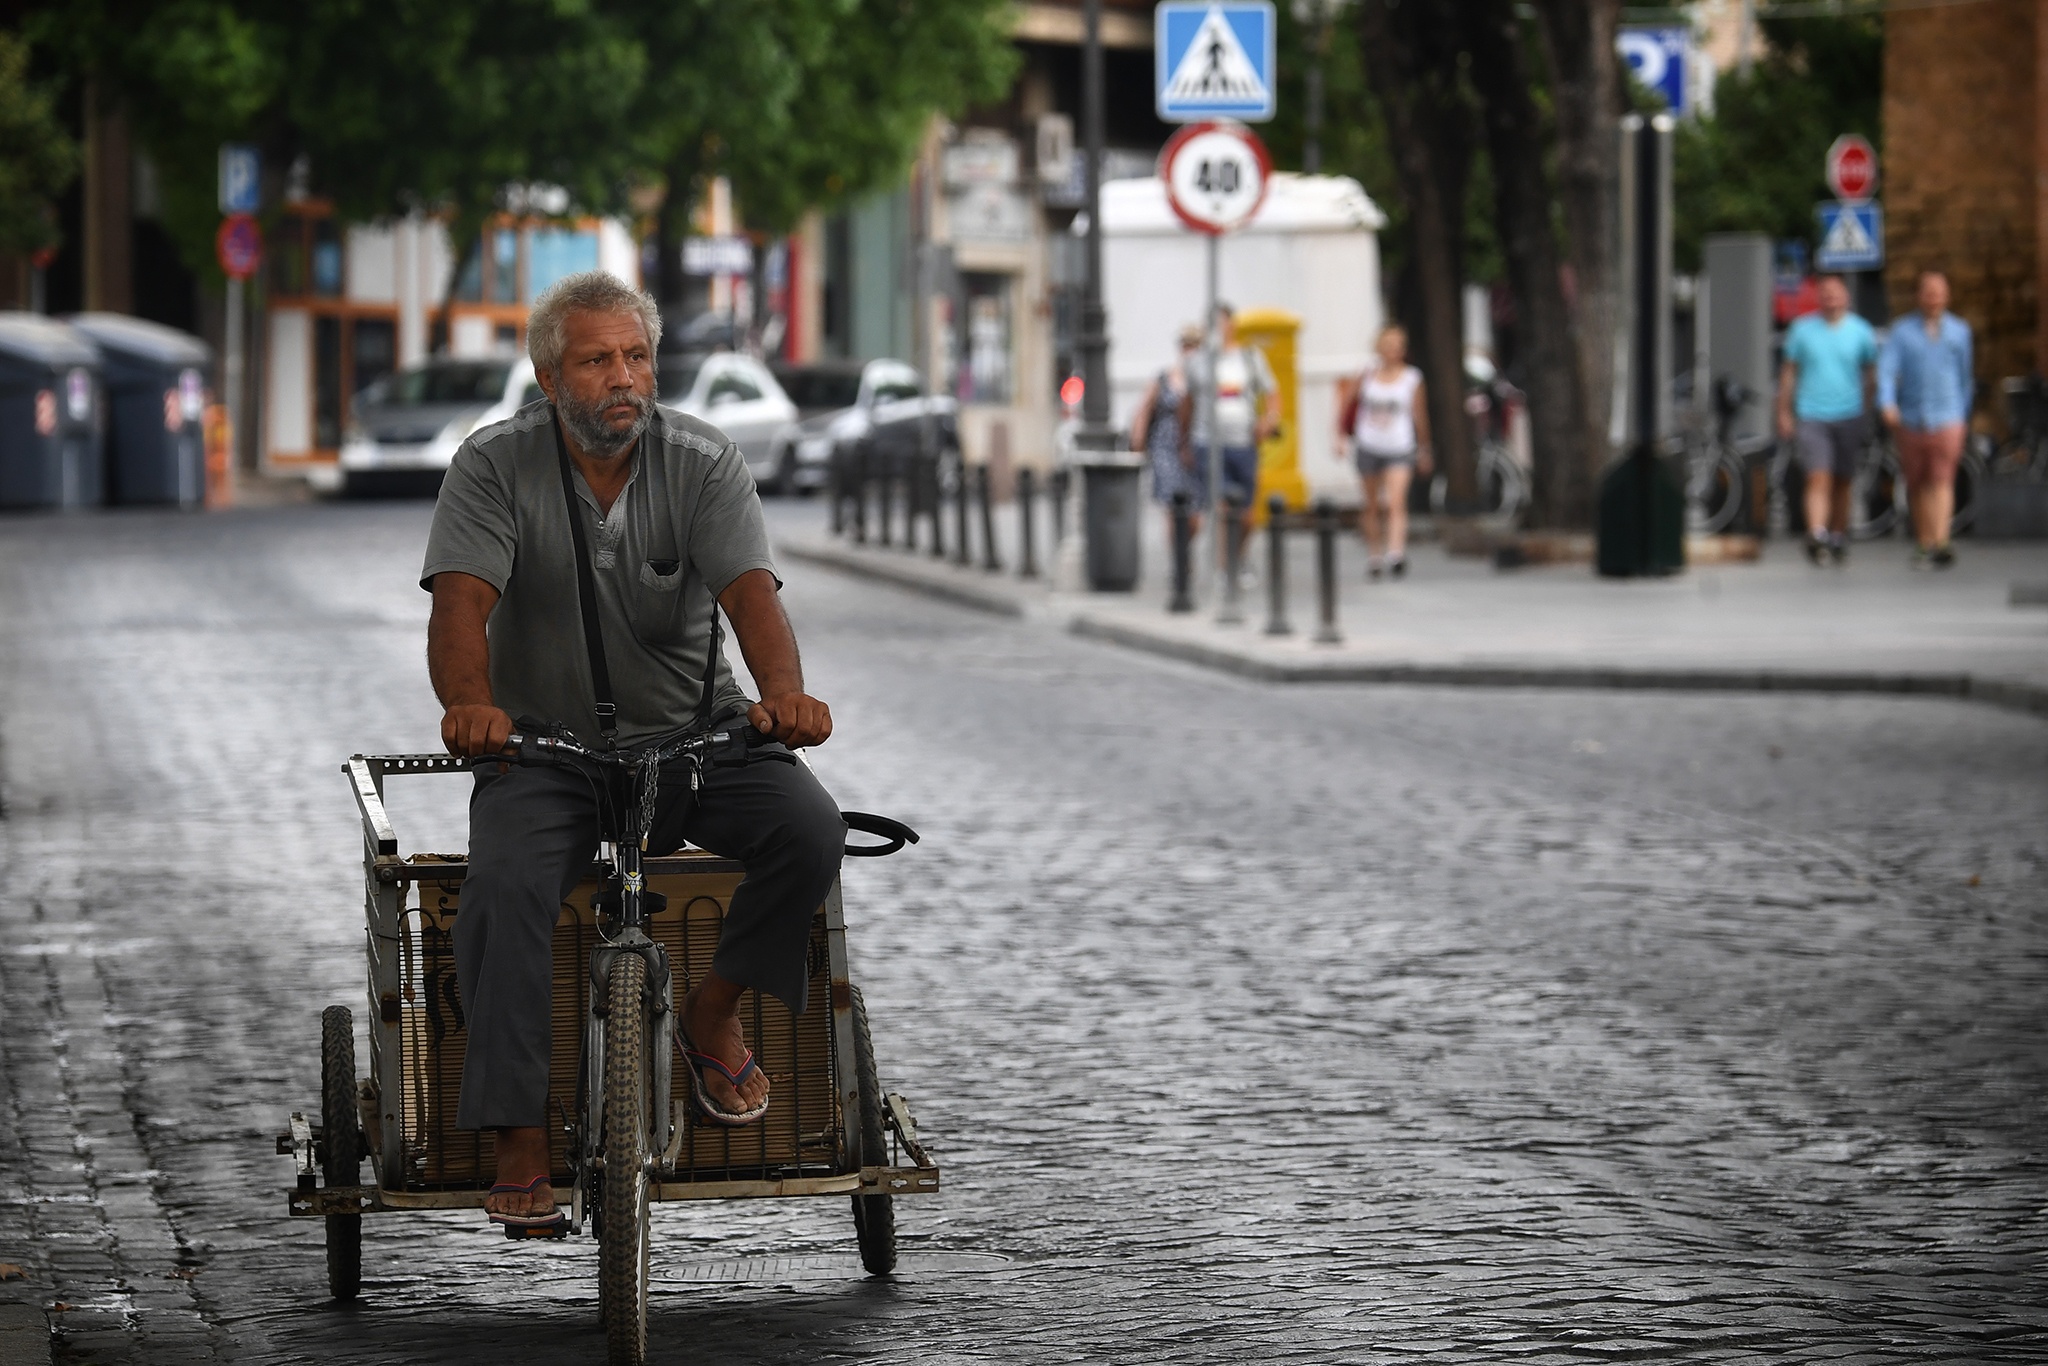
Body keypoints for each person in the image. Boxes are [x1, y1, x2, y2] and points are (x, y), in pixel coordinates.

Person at [420, 272, 845, 1234]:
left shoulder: (702, 460)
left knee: (811, 831)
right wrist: (471, 706)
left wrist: (785, 696)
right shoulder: (492, 465)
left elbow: (752, 597)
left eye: (637, 356)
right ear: (548, 378)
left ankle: (712, 1010)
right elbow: (459, 610)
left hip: (697, 739)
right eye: (596, 360)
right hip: (545, 751)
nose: (623, 377)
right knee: (503, 887)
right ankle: (518, 1130)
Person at [1776, 274, 1879, 565]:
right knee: (1818, 475)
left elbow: (1871, 374)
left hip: (1849, 413)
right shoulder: (1801, 330)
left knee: (1842, 479)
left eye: (1836, 292)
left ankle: (1837, 534)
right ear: (1818, 297)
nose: (1831, 298)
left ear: (1846, 297)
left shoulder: (1861, 331)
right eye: (1825, 293)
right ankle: (1816, 534)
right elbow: (1788, 374)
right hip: (1812, 414)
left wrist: (1867, 408)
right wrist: (1784, 411)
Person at [1879, 269, 1973, 569]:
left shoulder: (1959, 331)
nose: (1933, 298)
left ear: (1947, 296)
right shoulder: (1902, 332)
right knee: (1918, 480)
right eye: (1928, 292)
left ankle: (1941, 540)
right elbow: (1886, 371)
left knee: (1942, 477)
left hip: (1948, 415)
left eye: (1938, 292)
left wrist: (1962, 413)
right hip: (1911, 416)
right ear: (1919, 296)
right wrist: (1887, 403)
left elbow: (1965, 377)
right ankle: (1924, 541)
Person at [1178, 303, 1280, 568]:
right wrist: (1183, 442)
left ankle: (1238, 558)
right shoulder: (1197, 362)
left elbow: (1272, 393)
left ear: (1232, 325)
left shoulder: (1250, 358)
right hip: (1207, 443)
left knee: (1247, 516)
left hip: (1243, 443)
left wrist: (1268, 420)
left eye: (1220, 322)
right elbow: (1187, 404)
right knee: (1223, 508)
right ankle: (1225, 572)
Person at [1344, 324, 1432, 579]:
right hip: (1368, 444)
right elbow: (1346, 403)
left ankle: (1395, 554)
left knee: (1396, 502)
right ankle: (1374, 555)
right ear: (1379, 347)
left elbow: (1419, 415)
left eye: (1397, 346)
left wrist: (1424, 449)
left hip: (1399, 446)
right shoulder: (1367, 373)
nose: (1393, 350)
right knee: (1372, 505)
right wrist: (1339, 436)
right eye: (1388, 345)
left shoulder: (1412, 378)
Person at [1129, 324, 1206, 544]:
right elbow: (1144, 410)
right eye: (1186, 345)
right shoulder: (1163, 378)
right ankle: (1179, 557)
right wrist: (1137, 444)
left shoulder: (1204, 380)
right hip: (1166, 449)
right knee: (1173, 507)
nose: (1190, 351)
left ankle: (1184, 550)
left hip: (1194, 448)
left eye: (1195, 346)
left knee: (1195, 514)